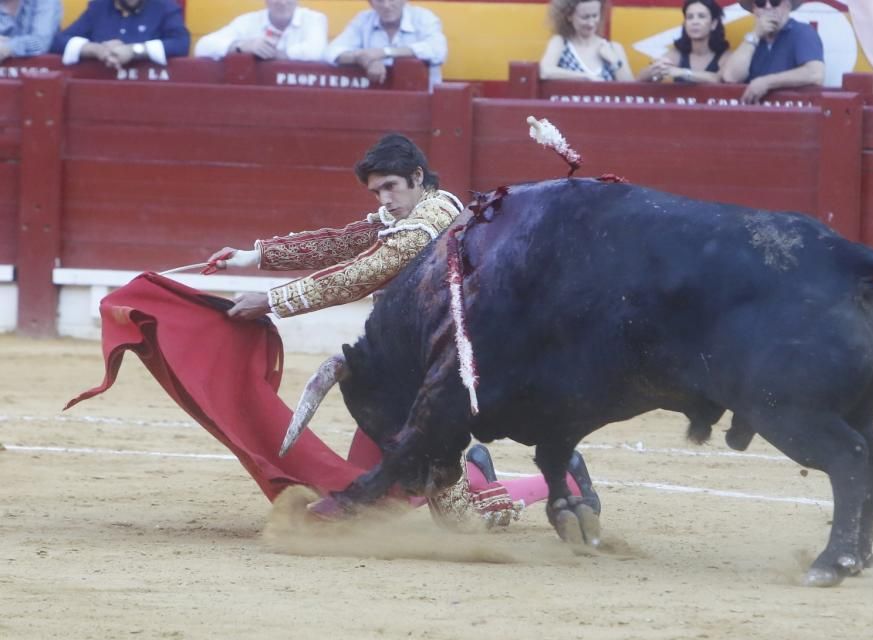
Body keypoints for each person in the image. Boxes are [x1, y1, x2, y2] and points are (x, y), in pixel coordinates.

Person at [207, 133, 599, 526]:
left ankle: (563, 479)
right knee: (364, 493)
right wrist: (252, 256)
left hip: (437, 373)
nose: (384, 200)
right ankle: (462, 475)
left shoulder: (432, 218)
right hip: (398, 368)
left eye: (390, 188)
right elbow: (344, 242)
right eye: (376, 192)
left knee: (462, 524)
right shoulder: (404, 217)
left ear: (417, 177)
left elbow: (367, 272)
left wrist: (274, 301)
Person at [721, 0, 824, 104]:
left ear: (788, 5)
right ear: (754, 9)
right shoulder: (751, 40)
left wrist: (767, 82)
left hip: (792, 112)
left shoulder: (803, 32)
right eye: (760, 3)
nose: (768, 7)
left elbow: (815, 74)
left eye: (775, 2)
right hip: (755, 114)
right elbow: (730, 77)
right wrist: (755, 34)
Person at [324, 0, 447, 86]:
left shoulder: (423, 18)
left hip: (425, 103)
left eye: (392, 0)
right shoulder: (363, 20)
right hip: (377, 101)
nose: (386, 5)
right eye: (380, 0)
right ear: (371, 3)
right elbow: (332, 51)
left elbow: (438, 51)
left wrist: (385, 52)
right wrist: (365, 61)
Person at [51, 0, 190, 69]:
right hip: (100, 92)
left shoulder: (164, 7)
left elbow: (182, 43)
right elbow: (58, 41)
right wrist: (96, 49)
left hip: (151, 93)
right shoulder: (99, 6)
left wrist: (133, 50)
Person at [193, 0, 327, 62]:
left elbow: (316, 52)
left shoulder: (314, 19)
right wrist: (242, 46)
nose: (282, 2)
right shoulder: (247, 21)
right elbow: (202, 46)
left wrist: (273, 54)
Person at [637, 0, 730, 84]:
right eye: (690, 17)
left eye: (701, 16)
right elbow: (639, 78)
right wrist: (655, 70)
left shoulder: (725, 56)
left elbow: (719, 79)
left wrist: (682, 72)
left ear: (713, 24)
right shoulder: (677, 54)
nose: (695, 22)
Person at [539, 0, 633, 82]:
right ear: (569, 16)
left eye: (595, 16)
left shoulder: (614, 48)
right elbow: (545, 71)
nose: (591, 23)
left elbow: (631, 88)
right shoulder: (560, 43)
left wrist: (614, 61)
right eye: (585, 17)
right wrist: (585, 77)